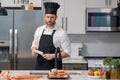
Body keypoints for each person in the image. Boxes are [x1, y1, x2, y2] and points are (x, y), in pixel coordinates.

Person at [31, 2, 71, 70]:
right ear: (45, 17)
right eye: (48, 17)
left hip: (55, 69)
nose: (49, 19)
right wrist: (34, 50)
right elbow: (35, 45)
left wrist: (52, 56)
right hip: (40, 68)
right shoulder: (39, 30)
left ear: (56, 17)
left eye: (52, 17)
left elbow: (67, 52)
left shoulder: (62, 33)